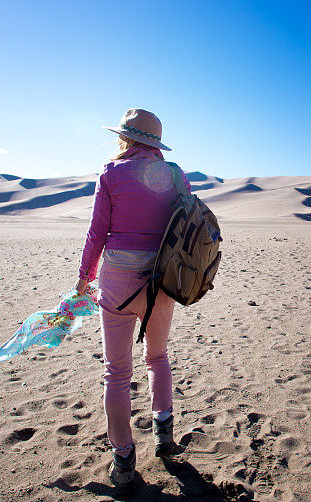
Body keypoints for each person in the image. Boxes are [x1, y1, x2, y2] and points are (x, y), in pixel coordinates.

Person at [75, 108, 190, 496]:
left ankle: (123, 460)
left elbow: (97, 233)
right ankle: (164, 435)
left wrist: (83, 278)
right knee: (157, 357)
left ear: (126, 138)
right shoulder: (175, 175)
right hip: (163, 281)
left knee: (116, 372)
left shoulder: (110, 174)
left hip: (118, 283)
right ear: (155, 143)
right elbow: (188, 227)